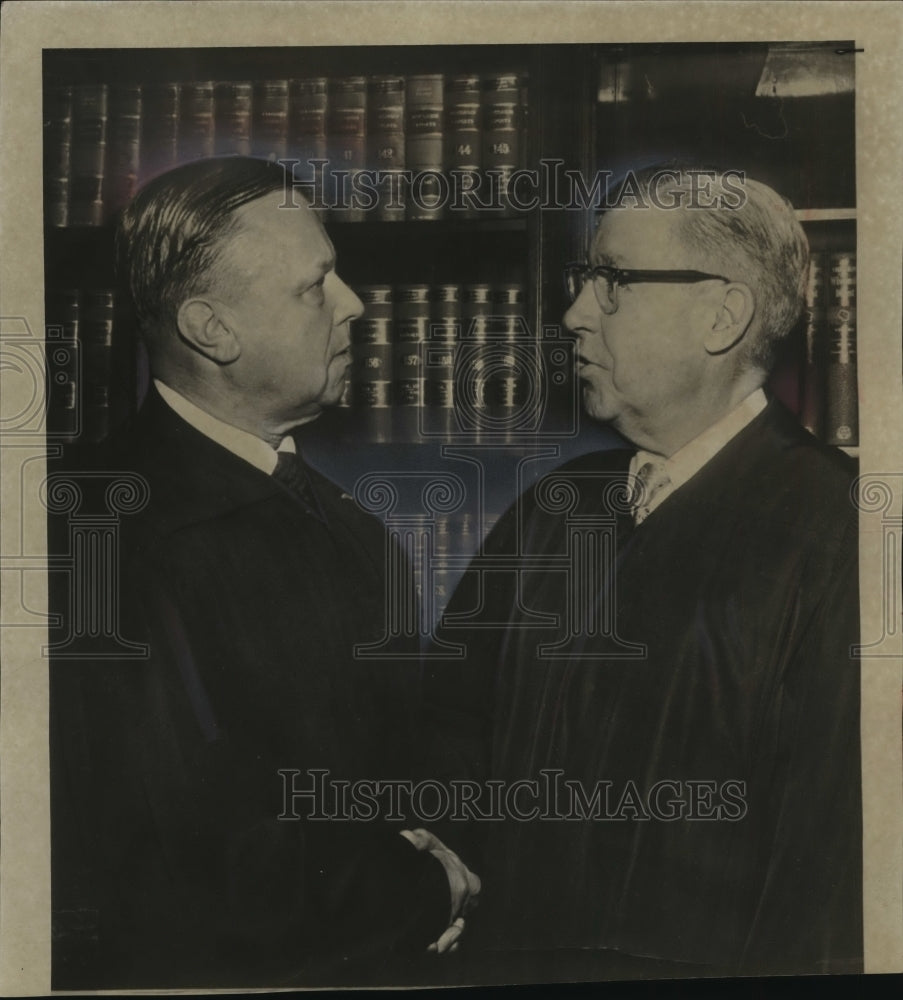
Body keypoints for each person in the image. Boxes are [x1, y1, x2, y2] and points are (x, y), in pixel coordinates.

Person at [49, 157, 478, 990]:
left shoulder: (345, 519)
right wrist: (425, 890)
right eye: (314, 286)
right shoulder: (93, 536)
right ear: (212, 329)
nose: (354, 303)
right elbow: (178, 871)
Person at [423, 166, 862, 981]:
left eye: (612, 283)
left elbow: (824, 884)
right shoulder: (554, 508)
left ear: (722, 314)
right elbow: (451, 735)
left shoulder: (842, 535)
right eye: (582, 280)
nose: (572, 317)